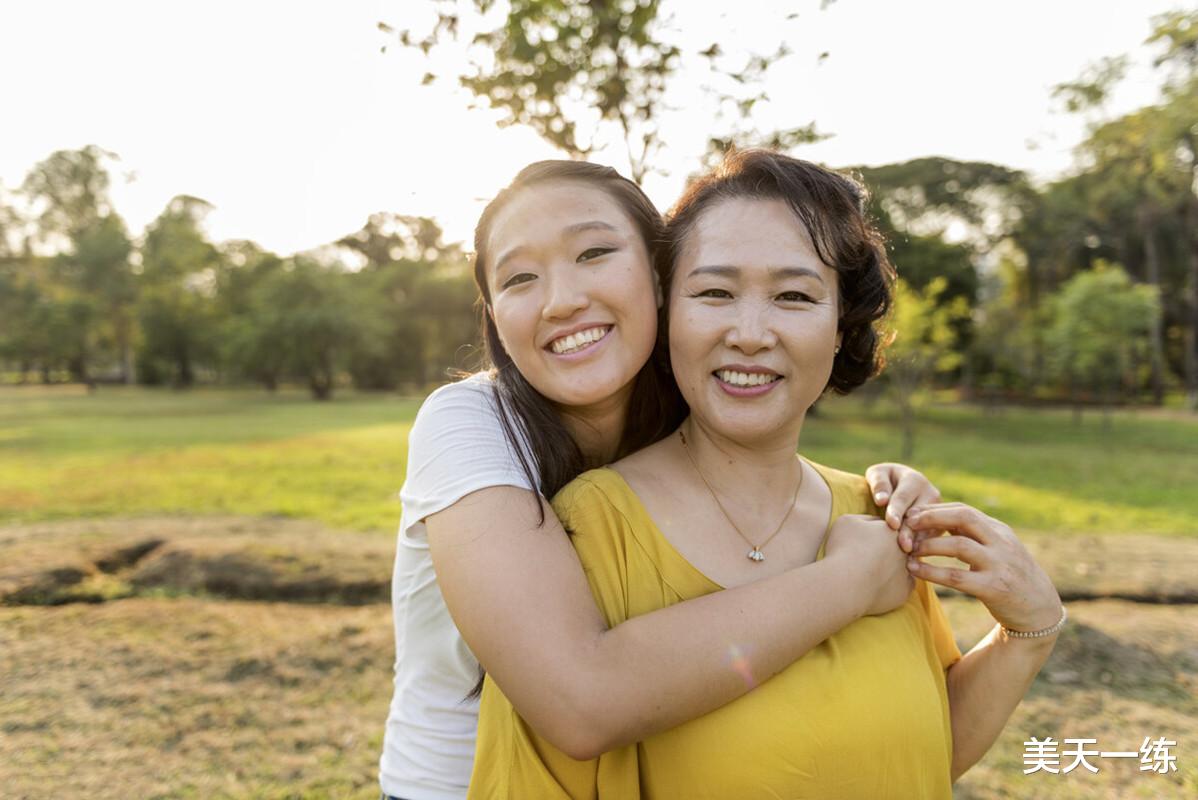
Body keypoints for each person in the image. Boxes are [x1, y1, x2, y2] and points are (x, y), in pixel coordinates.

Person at [468, 150, 1064, 799]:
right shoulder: (591, 529)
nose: (750, 334)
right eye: (715, 293)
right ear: (668, 312)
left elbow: (917, 749)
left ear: (841, 327)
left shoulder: (879, 513)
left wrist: (1025, 634)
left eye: (794, 296)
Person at [379, 160, 942, 800]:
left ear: (658, 274)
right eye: (519, 279)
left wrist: (882, 489)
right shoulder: (469, 424)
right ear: (495, 315)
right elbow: (579, 700)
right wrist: (850, 578)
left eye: (593, 252)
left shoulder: (692, 404)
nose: (561, 299)